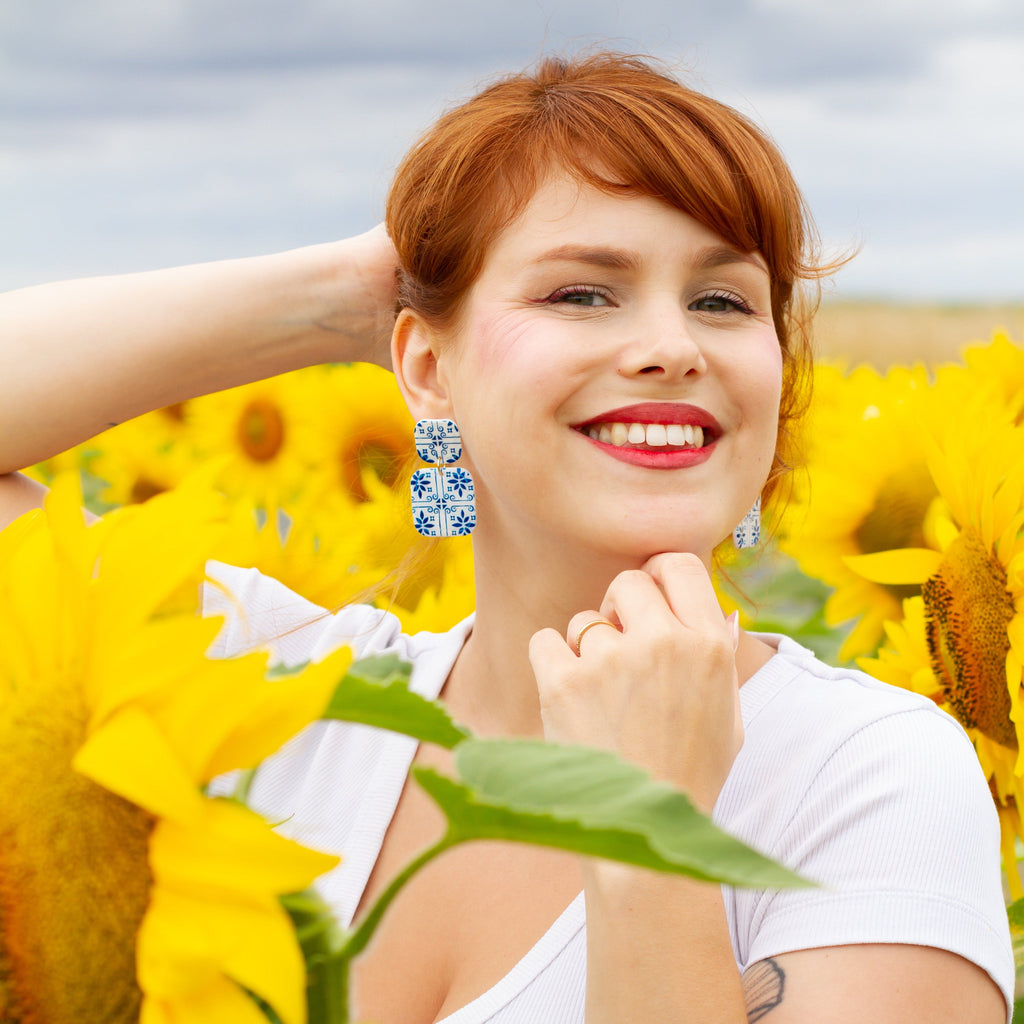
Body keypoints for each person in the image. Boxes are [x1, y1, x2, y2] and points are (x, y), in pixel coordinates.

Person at [0, 53, 1013, 1024]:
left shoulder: (865, 773)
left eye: (721, 299)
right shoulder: (277, 692)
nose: (670, 346)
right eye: (581, 291)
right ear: (427, 371)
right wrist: (337, 299)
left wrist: (646, 828)